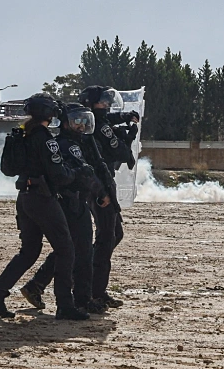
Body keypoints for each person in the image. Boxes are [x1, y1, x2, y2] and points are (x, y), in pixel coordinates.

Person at [0, 93, 90, 321]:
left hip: (25, 197)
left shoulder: (23, 133)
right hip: (42, 199)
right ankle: (65, 306)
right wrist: (79, 173)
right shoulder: (45, 139)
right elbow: (59, 175)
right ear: (49, 114)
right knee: (66, 249)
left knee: (29, 251)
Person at [21, 103, 113, 315]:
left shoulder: (70, 143)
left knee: (71, 250)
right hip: (70, 202)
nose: (81, 126)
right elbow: (80, 175)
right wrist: (99, 192)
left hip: (70, 201)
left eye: (84, 121)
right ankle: (78, 299)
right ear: (64, 123)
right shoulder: (66, 145)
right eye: (76, 121)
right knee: (78, 251)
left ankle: (40, 286)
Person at [78, 86, 137, 309]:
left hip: (97, 182)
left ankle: (87, 281)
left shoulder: (87, 122)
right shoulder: (97, 126)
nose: (107, 105)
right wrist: (128, 137)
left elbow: (104, 120)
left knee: (108, 236)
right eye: (103, 102)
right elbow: (119, 151)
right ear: (91, 104)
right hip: (99, 184)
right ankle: (94, 290)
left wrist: (122, 117)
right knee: (104, 239)